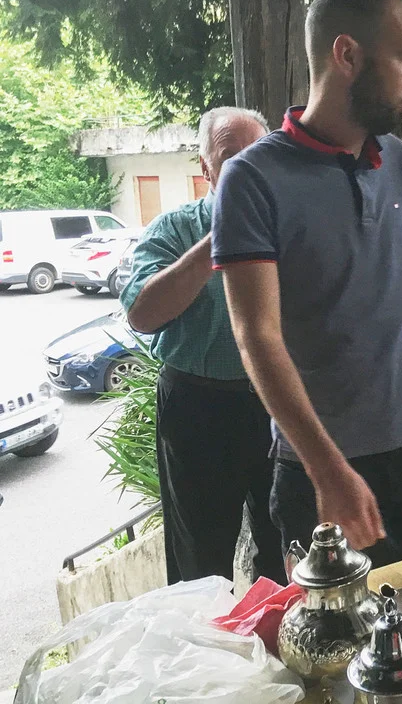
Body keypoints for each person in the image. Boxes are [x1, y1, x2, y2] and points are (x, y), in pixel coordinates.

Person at [210, 0, 402, 565]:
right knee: (342, 626)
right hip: (321, 473)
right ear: (347, 55)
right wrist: (327, 471)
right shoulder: (252, 180)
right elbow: (257, 335)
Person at [121, 106, 285, 585]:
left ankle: (278, 630)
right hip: (198, 409)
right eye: (230, 156)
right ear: (206, 168)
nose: (245, 166)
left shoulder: (291, 227)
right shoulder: (174, 229)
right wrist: (221, 236)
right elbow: (142, 314)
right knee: (200, 560)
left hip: (277, 403)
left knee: (285, 548)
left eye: (256, 154)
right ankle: (202, 632)